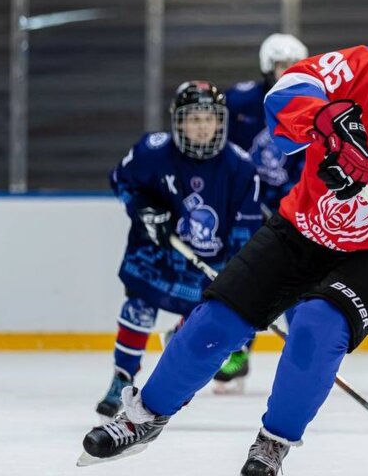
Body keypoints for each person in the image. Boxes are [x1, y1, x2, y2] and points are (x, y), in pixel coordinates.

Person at [80, 10, 368, 475]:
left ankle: (274, 443)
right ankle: (144, 415)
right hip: (302, 227)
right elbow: (291, 89)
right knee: (216, 321)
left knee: (317, 325)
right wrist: (326, 123)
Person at [95, 80, 263, 418]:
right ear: (178, 121)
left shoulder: (240, 166)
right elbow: (122, 180)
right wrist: (143, 209)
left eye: (209, 118)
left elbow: (245, 227)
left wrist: (236, 271)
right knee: (138, 308)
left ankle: (174, 354)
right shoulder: (153, 151)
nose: (202, 127)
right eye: (193, 118)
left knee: (198, 324)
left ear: (221, 121)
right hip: (157, 253)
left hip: (206, 263)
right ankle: (122, 378)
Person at [208, 34, 310, 393]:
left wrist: (293, 202)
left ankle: (303, 358)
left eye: (293, 66)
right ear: (268, 67)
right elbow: (217, 148)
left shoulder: (308, 103)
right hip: (243, 211)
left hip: (288, 211)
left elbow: (309, 164)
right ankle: (237, 353)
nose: (287, 72)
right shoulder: (240, 101)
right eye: (281, 65)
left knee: (296, 283)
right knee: (245, 282)